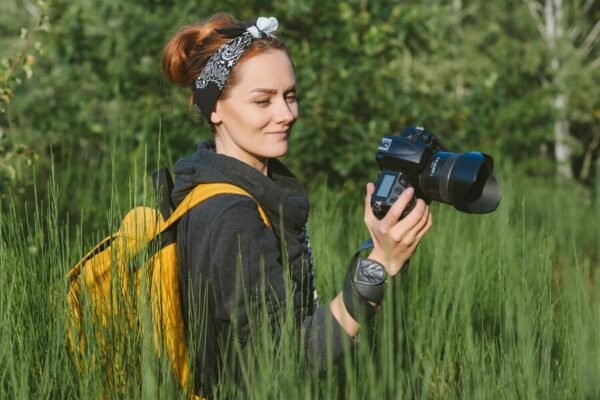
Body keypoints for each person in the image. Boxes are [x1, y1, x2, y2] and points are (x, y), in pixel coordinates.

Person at [161, 13, 432, 397]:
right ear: (215, 109)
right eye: (263, 100)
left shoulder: (218, 189)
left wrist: (379, 251)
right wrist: (377, 269)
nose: (287, 114)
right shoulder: (231, 216)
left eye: (290, 95)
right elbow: (278, 365)